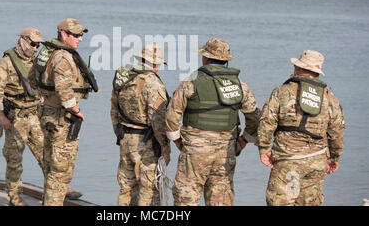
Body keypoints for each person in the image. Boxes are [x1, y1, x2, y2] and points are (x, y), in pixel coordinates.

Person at [166, 37, 260, 206]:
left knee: (186, 199)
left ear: (206, 57)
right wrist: (244, 140)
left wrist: (178, 141)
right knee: (221, 200)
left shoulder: (191, 81)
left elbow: (172, 115)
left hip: (195, 151)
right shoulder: (240, 85)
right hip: (226, 152)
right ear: (225, 60)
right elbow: (254, 117)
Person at [257, 50, 345, 206]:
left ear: (298, 68)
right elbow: (337, 130)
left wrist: (264, 149)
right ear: (317, 72)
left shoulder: (282, 91)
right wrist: (334, 157)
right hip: (317, 162)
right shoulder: (330, 97)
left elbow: (267, 121)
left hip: (289, 161)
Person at [29, 18, 98, 206]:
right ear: (63, 34)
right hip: (61, 117)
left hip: (47, 113)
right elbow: (63, 89)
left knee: (52, 165)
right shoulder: (63, 57)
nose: (80, 39)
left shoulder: (46, 51)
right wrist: (75, 110)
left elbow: (33, 80)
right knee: (60, 172)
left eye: (81, 35)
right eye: (76, 35)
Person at [0, 28, 45, 206]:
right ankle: (15, 197)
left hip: (35, 115)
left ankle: (55, 191)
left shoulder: (37, 62)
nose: (35, 48)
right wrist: (1, 117)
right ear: (22, 40)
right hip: (15, 118)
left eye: (37, 45)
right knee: (14, 161)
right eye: (32, 43)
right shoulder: (6, 62)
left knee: (46, 155)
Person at [111, 44, 170, 206]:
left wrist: (120, 133)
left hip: (125, 137)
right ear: (156, 64)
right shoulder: (153, 83)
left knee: (126, 187)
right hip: (146, 142)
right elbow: (157, 119)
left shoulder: (124, 77)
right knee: (149, 190)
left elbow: (114, 110)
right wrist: (165, 146)